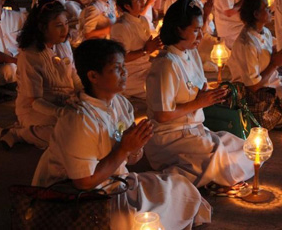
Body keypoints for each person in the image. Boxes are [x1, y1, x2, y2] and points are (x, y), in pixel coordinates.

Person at [32, 39, 211, 230]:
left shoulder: (121, 104)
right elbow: (83, 182)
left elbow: (131, 159)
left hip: (115, 183)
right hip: (76, 198)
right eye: (117, 69)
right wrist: (125, 148)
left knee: (180, 187)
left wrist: (136, 146)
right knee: (141, 218)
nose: (125, 73)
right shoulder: (78, 119)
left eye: (123, 66)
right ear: (93, 76)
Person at [144, 0, 254, 190]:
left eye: (200, 29)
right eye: (195, 31)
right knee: (221, 158)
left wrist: (211, 94)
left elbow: (197, 90)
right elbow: (162, 115)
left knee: (243, 147)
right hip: (171, 137)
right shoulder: (166, 64)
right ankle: (181, 173)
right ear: (178, 29)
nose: (201, 36)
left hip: (196, 130)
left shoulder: (191, 53)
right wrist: (199, 102)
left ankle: (204, 173)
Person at [0, 0, 80, 149]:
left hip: (65, 104)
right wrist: (60, 112)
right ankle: (20, 133)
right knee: (68, 135)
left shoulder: (63, 45)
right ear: (43, 28)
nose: (65, 30)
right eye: (58, 26)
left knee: (91, 120)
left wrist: (85, 94)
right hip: (36, 110)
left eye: (66, 24)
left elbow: (73, 74)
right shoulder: (30, 55)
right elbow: (34, 101)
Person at [228, 0, 282, 122]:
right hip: (254, 94)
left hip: (270, 82)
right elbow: (252, 87)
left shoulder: (264, 32)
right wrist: (274, 64)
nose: (270, 9)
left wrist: (275, 56)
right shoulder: (247, 43)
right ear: (256, 14)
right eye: (266, 7)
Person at [111, 0, 162, 99]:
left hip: (147, 66)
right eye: (138, 0)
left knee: (173, 73)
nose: (143, 2)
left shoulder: (142, 20)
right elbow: (121, 57)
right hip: (131, 74)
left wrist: (155, 45)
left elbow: (148, 46)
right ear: (127, 6)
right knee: (161, 87)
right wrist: (145, 50)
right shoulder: (121, 27)